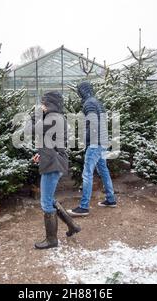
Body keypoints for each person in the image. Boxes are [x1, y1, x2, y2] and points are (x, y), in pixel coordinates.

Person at [27, 91, 81, 249]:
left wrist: (35, 115)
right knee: (49, 199)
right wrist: (40, 154)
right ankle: (72, 226)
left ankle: (52, 240)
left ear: (49, 103)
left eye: (43, 103)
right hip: (52, 160)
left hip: (53, 164)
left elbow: (31, 129)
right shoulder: (54, 117)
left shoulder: (53, 118)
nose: (41, 106)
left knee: (45, 202)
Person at [68, 82, 117, 217]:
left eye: (79, 91)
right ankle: (111, 199)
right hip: (102, 141)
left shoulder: (89, 103)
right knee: (103, 170)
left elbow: (93, 123)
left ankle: (84, 207)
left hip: (95, 143)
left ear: (82, 91)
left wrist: (87, 139)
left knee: (87, 173)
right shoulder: (97, 102)